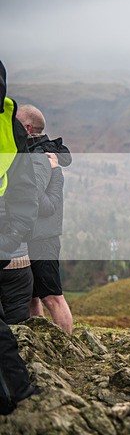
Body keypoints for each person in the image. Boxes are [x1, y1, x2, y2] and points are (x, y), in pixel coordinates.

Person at [0, 59, 40, 415]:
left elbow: (29, 195)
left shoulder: (10, 129)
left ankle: (18, 396)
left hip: (10, 252)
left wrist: (9, 241)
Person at [18, 105, 73, 333]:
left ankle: (68, 346)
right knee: (32, 296)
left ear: (28, 128)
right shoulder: (33, 151)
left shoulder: (41, 155)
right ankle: (40, 340)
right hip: (28, 235)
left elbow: (38, 199)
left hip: (44, 237)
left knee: (52, 296)